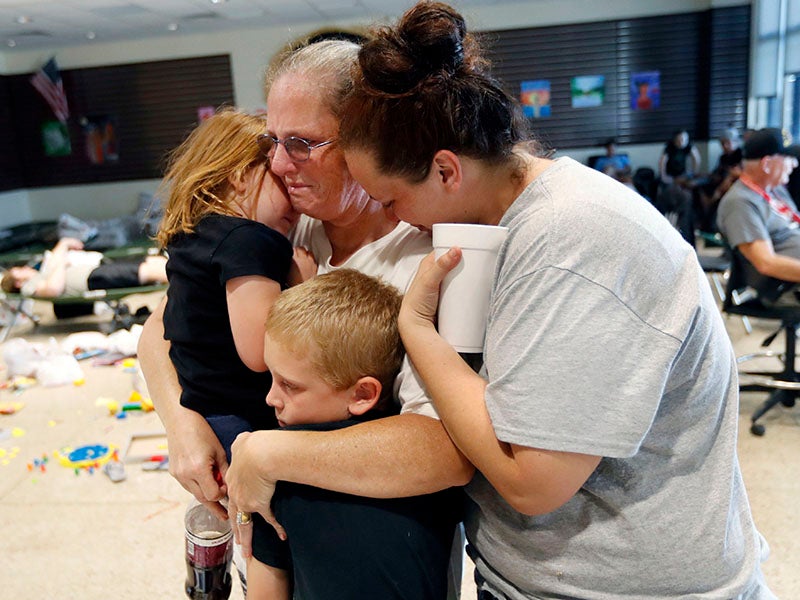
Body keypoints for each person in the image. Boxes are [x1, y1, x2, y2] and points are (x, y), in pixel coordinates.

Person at [299, 1, 765, 598]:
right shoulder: (511, 223)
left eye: (390, 201)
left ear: (445, 170)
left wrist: (417, 329)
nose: (398, 223)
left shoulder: (577, 241)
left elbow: (532, 481)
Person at [137, 39, 471, 598]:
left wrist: (266, 452)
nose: (276, 163)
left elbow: (448, 450)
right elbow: (158, 330)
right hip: (271, 530)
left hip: (368, 554)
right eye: (273, 141)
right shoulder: (285, 228)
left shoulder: (429, 261)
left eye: (301, 143)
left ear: (368, 140)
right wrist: (184, 425)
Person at [154, 107, 316, 598]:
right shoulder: (252, 240)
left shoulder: (192, 237)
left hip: (205, 407)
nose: (295, 200)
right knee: (269, 536)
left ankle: (210, 571)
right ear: (240, 176)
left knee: (238, 520)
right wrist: (302, 284)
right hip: (239, 418)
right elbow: (259, 352)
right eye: (281, 182)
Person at [245, 268, 460, 599]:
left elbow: (265, 589)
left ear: (361, 395)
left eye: (289, 385)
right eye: (272, 378)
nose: (271, 399)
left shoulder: (277, 470)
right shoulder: (275, 467)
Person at [716, 128, 800, 306]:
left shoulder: (775, 190)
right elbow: (766, 263)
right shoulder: (740, 202)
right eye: (788, 158)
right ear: (767, 164)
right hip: (786, 287)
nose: (794, 164)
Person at [1, 236, 167, 297]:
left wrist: (64, 243)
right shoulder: (29, 286)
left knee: (150, 261)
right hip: (92, 278)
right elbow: (53, 289)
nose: (25, 268)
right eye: (20, 271)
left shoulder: (42, 273)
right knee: (146, 271)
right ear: (18, 283)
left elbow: (54, 258)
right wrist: (61, 266)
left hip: (95, 268)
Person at [656, 128, 703, 245]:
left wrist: (693, 173)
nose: (682, 141)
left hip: (683, 176)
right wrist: (664, 177)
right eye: (680, 139)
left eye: (684, 139)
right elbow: (662, 162)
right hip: (671, 177)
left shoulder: (689, 146)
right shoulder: (669, 147)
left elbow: (696, 158)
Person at [697, 127, 744, 232]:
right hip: (720, 183)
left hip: (732, 185)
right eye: (722, 144)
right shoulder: (723, 157)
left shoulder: (740, 155)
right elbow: (717, 173)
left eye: (727, 143)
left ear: (735, 142)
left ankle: (709, 225)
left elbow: (735, 174)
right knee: (700, 188)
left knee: (716, 198)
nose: (725, 146)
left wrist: (718, 191)